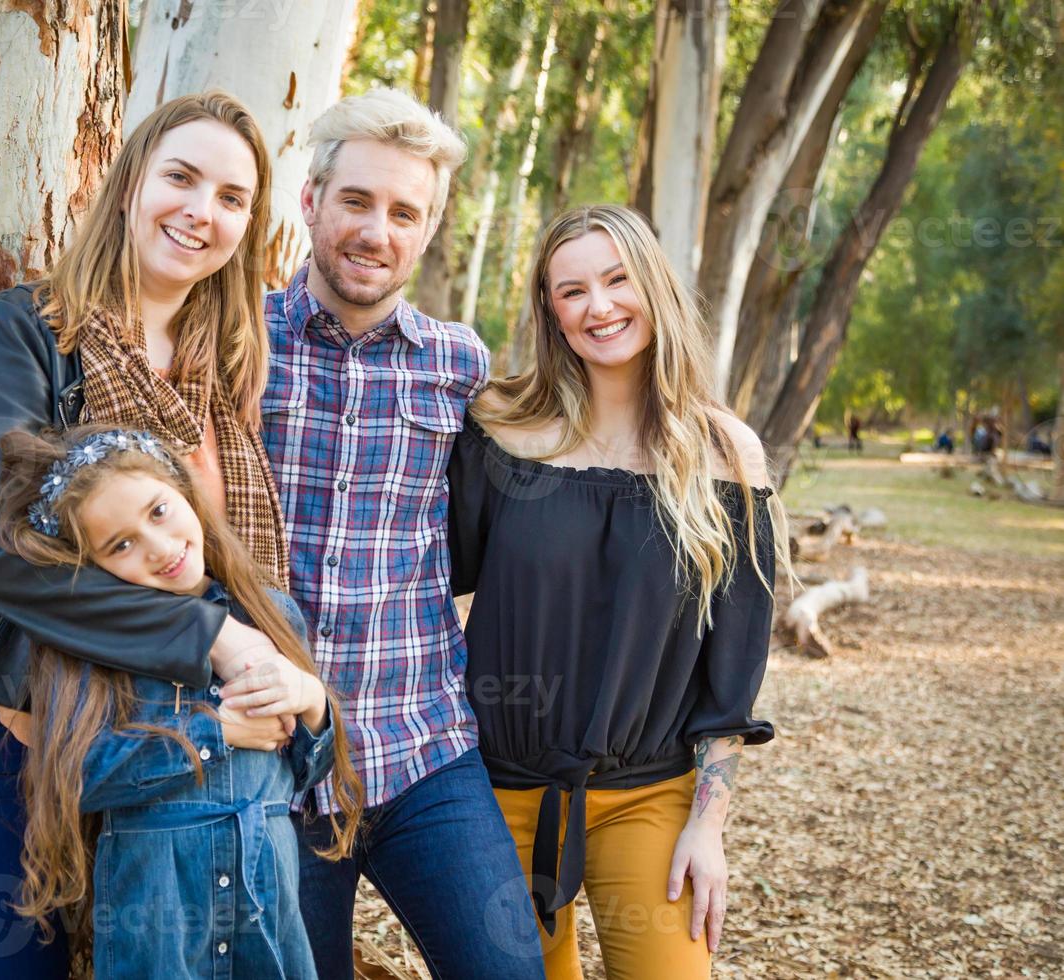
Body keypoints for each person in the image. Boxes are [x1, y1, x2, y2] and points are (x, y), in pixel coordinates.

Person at [0, 92, 304, 976]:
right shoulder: (29, 330)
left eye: (231, 197)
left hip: (207, 758)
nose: (201, 211)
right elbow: (1, 550)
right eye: (181, 177)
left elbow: (240, 572)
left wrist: (283, 686)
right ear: (131, 181)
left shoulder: (226, 373)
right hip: (37, 736)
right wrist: (211, 636)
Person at [251, 89, 546, 979]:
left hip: (424, 747)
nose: (377, 231)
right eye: (357, 201)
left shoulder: (461, 365)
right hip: (277, 760)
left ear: (425, 232)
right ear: (311, 202)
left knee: (508, 969)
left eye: (403, 212)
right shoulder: (234, 339)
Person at [448, 205, 785, 979]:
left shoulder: (723, 453)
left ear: (653, 287)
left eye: (616, 279)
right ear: (551, 313)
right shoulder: (500, 431)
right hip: (496, 794)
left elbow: (730, 678)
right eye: (572, 292)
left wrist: (711, 826)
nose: (598, 307)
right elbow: (422, 579)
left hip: (649, 795)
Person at [0, 424, 363, 977]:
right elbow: (77, 776)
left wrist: (311, 703)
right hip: (159, 924)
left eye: (158, 512)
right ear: (94, 569)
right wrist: (214, 735)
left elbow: (303, 774)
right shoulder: (100, 652)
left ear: (185, 492)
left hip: (267, 906)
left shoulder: (269, 616)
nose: (159, 549)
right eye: (121, 545)